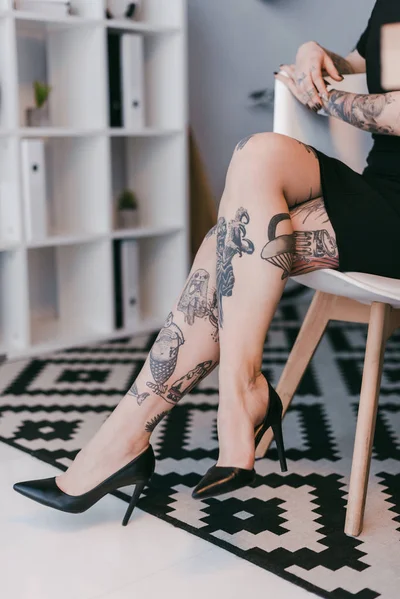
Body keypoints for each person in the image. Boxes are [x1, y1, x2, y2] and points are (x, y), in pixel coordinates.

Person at [13, 0, 400, 525]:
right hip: (378, 188)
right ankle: (241, 395)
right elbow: (367, 59)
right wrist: (321, 55)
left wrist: (328, 100)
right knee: (257, 154)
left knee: (230, 243)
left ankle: (123, 441)